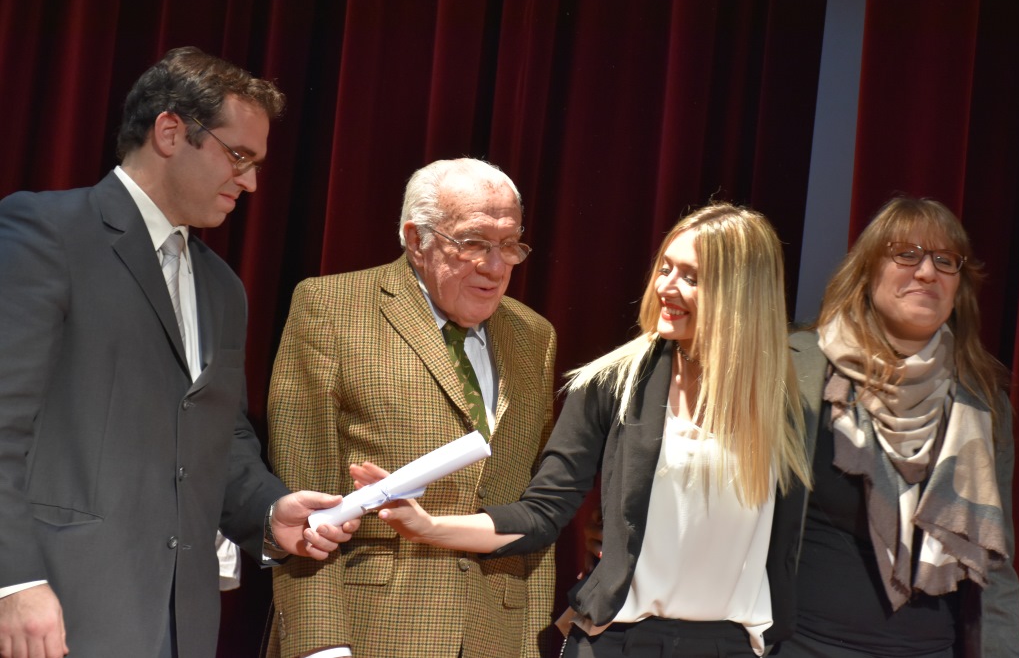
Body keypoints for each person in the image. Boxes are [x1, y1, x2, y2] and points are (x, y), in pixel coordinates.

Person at [0, 47, 358, 658]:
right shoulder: (47, 233)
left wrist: (269, 511)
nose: (250, 181)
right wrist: (14, 579)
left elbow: (221, 437)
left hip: (179, 621)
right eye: (239, 156)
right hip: (56, 609)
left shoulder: (223, 287)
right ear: (171, 131)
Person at [353, 203, 814, 657]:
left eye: (691, 278)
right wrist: (430, 526)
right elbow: (542, 513)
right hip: (619, 640)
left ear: (743, 294)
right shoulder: (612, 382)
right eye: (666, 268)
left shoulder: (785, 402)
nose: (666, 287)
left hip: (730, 644)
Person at [265, 158, 557, 658]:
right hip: (368, 631)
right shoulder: (331, 308)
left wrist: (529, 637)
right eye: (473, 243)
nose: (495, 266)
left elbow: (532, 503)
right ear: (416, 239)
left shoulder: (535, 335)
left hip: (497, 637)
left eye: (510, 245)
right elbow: (301, 488)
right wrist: (320, 645)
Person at [778, 196, 1019, 657]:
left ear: (958, 286)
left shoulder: (984, 400)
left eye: (944, 260)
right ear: (868, 270)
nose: (927, 273)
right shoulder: (796, 369)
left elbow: (995, 567)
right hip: (802, 644)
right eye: (906, 254)